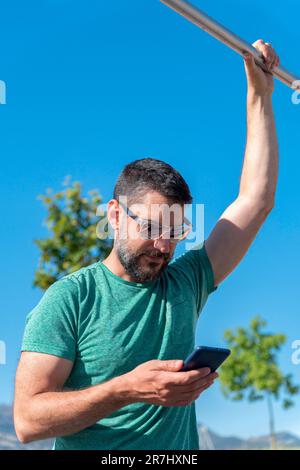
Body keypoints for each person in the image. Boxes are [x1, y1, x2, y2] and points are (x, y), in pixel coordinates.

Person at [14, 40, 280, 450]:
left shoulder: (186, 282)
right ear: (116, 216)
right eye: (154, 226)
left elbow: (256, 202)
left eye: (176, 232)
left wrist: (259, 96)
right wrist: (126, 390)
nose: (163, 245)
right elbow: (27, 421)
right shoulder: (70, 299)